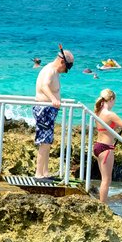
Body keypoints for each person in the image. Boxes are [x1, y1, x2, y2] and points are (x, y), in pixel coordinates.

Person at [91, 89, 122, 203]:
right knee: (106, 180)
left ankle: (101, 203)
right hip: (106, 148)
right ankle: (102, 205)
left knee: (104, 179)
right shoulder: (110, 114)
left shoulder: (97, 112)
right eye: (114, 101)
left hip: (98, 146)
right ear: (111, 99)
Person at [32, 45, 74, 180]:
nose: (65, 71)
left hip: (49, 110)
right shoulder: (50, 70)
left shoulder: (54, 71)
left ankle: (45, 172)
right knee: (44, 141)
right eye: (66, 68)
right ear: (62, 62)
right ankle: (39, 174)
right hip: (44, 109)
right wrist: (53, 99)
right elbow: (44, 86)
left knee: (48, 142)